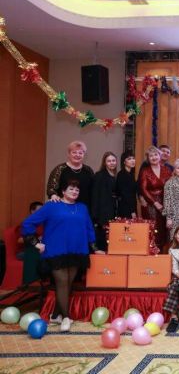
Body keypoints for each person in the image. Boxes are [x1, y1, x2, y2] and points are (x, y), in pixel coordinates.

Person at [22, 180, 103, 332]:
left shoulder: (82, 208)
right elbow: (28, 223)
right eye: (71, 189)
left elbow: (89, 228)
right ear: (63, 192)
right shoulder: (51, 206)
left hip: (77, 251)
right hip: (55, 251)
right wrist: (35, 243)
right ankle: (66, 317)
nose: (75, 191)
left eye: (77, 190)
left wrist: (94, 248)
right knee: (62, 282)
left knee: (68, 284)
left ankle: (55, 315)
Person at [139, 146, 171, 250]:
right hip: (150, 204)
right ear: (148, 158)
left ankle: (161, 253)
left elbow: (170, 186)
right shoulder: (145, 171)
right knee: (153, 229)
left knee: (164, 229)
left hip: (165, 202)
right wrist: (155, 202)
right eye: (151, 156)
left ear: (160, 156)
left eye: (156, 155)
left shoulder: (167, 170)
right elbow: (143, 189)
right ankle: (152, 252)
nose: (154, 157)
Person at [46, 140, 94, 210]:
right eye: (74, 152)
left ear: (84, 155)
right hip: (64, 208)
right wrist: (53, 195)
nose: (77, 155)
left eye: (80, 153)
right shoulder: (59, 169)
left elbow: (93, 190)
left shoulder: (88, 170)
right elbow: (51, 188)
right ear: (69, 154)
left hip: (84, 208)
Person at [91, 152, 118, 251]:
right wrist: (96, 216)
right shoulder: (99, 175)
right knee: (102, 239)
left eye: (113, 160)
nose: (112, 163)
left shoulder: (115, 175)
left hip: (112, 210)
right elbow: (95, 196)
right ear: (104, 163)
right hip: (102, 213)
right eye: (109, 161)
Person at [115, 150, 137, 219]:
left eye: (133, 158)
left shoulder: (131, 174)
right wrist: (132, 210)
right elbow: (125, 195)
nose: (132, 160)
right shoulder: (121, 174)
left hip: (131, 206)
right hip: (125, 208)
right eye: (129, 159)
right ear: (124, 162)